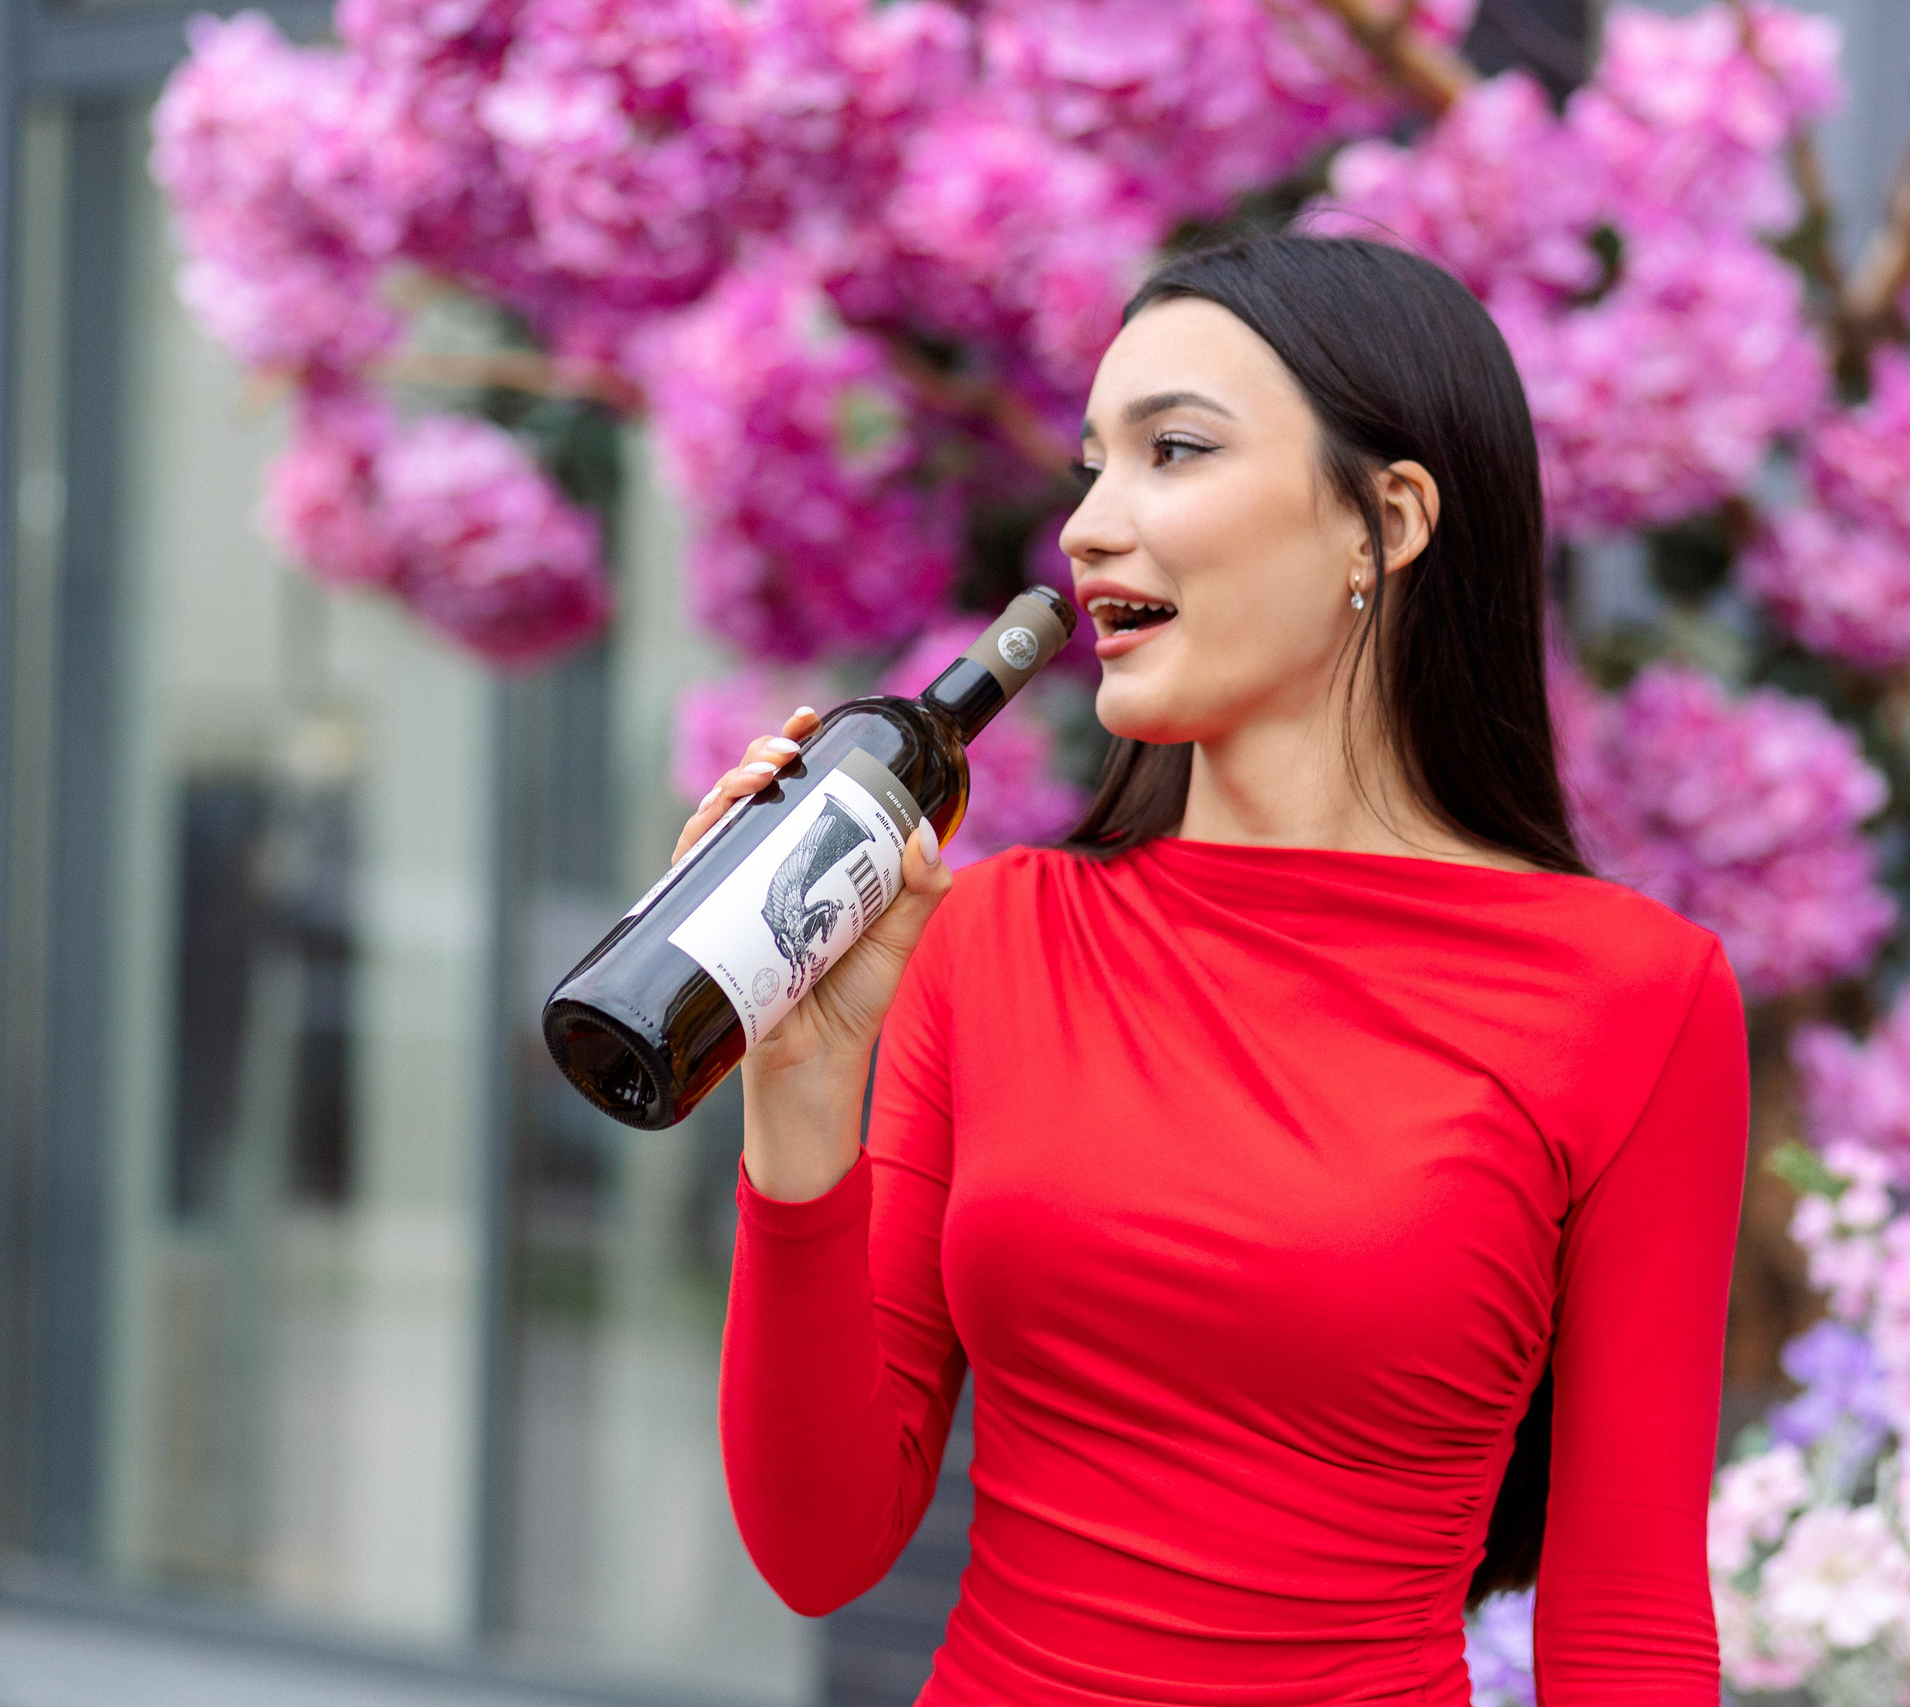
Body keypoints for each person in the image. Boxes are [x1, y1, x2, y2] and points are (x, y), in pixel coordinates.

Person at [689, 234, 1750, 1705]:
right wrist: (798, 1090)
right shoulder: (993, 940)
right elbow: (820, 1547)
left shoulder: (1632, 996)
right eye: (1089, 469)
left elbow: (1625, 1625)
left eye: (1171, 451)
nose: (1091, 528)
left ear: (1387, 518)